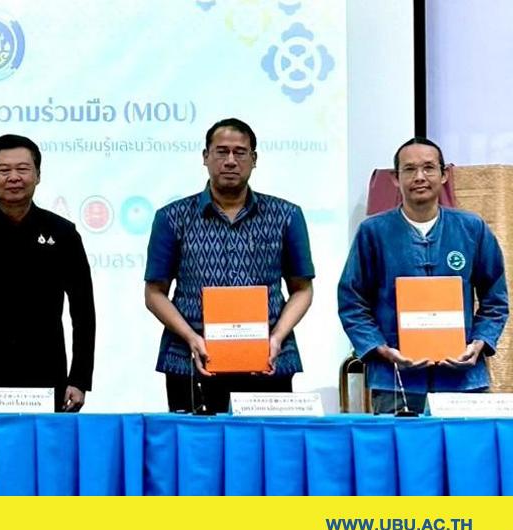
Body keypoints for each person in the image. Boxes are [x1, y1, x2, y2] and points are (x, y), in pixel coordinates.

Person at [144, 117, 315, 413]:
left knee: (265, 443)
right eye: (222, 152)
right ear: (205, 157)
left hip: (268, 361)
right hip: (191, 360)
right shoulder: (172, 217)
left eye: (240, 152)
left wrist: (276, 338)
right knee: (194, 443)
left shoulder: (286, 215)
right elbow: (154, 293)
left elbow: (303, 289)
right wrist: (191, 338)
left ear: (254, 159)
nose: (231, 161)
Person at [338, 137, 508, 414]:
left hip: (462, 378)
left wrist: (479, 343)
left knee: (467, 443)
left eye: (429, 168)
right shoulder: (374, 232)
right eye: (409, 169)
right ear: (396, 178)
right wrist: (380, 349)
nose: (420, 177)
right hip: (395, 380)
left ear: (444, 175)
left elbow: (495, 299)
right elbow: (352, 302)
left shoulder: (472, 228)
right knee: (401, 444)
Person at [0, 134, 96, 412]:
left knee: (44, 442)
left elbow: (83, 312)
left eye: (22, 169)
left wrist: (80, 379)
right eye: (4, 170)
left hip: (45, 373)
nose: (13, 177)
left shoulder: (63, 233)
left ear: (38, 175)